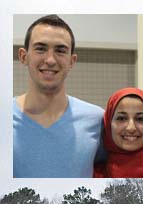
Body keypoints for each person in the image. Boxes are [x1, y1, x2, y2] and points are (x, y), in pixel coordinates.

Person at [13, 15, 103, 177]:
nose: (50, 60)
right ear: (23, 56)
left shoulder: (97, 120)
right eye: (40, 48)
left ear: (72, 61)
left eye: (60, 50)